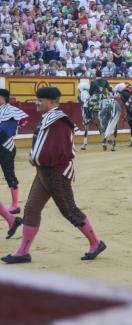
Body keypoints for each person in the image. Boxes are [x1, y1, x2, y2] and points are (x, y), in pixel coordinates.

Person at [2, 87, 106, 264]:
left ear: (51, 102)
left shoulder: (59, 120)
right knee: (32, 209)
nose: (37, 102)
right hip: (44, 170)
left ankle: (96, 242)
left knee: (68, 209)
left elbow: (61, 150)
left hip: (55, 171)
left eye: (40, 100)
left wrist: (41, 159)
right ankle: (23, 251)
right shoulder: (50, 118)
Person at [0, 89, 27, 235]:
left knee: (9, 174)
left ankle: (15, 205)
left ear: (3, 98)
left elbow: (5, 132)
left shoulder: (10, 111)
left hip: (5, 147)